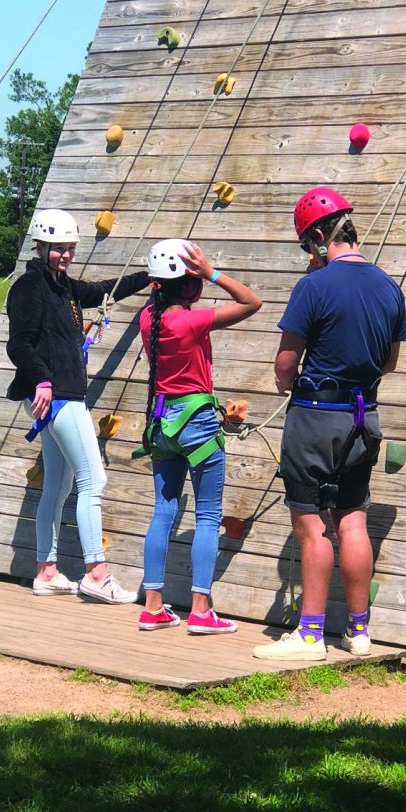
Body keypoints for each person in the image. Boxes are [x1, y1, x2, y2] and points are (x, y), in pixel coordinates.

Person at [252, 187, 406, 663]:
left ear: (319, 237)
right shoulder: (388, 285)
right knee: (353, 518)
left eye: (306, 244)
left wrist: (289, 381)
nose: (307, 253)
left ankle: (311, 635)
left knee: (311, 523)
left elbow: (285, 364)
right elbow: (390, 363)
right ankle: (359, 633)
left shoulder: (313, 287)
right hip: (364, 417)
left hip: (317, 418)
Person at [6, 208, 151, 602]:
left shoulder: (64, 287)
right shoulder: (29, 287)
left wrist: (148, 276)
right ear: (41, 246)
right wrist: (42, 379)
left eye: (70, 249)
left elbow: (106, 290)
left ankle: (47, 571)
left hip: (61, 395)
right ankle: (95, 574)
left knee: (59, 483)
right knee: (94, 480)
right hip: (55, 397)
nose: (66, 255)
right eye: (59, 249)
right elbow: (18, 343)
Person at [136, 239, 261, 635]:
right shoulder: (191, 320)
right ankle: (201, 610)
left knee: (163, 511)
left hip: (162, 422)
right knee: (207, 515)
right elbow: (251, 302)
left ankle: (153, 606)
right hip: (197, 423)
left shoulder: (147, 319)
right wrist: (212, 273)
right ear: (189, 285)